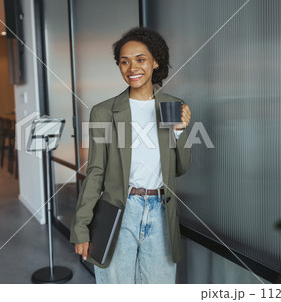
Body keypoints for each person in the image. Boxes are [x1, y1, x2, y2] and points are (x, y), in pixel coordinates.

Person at [70, 27, 192, 284]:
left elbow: (180, 168)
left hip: (160, 212)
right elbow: (96, 172)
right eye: (124, 61)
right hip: (119, 210)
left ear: (155, 62)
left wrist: (179, 133)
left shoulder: (173, 106)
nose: (132, 67)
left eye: (140, 59)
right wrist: (81, 226)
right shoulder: (103, 112)